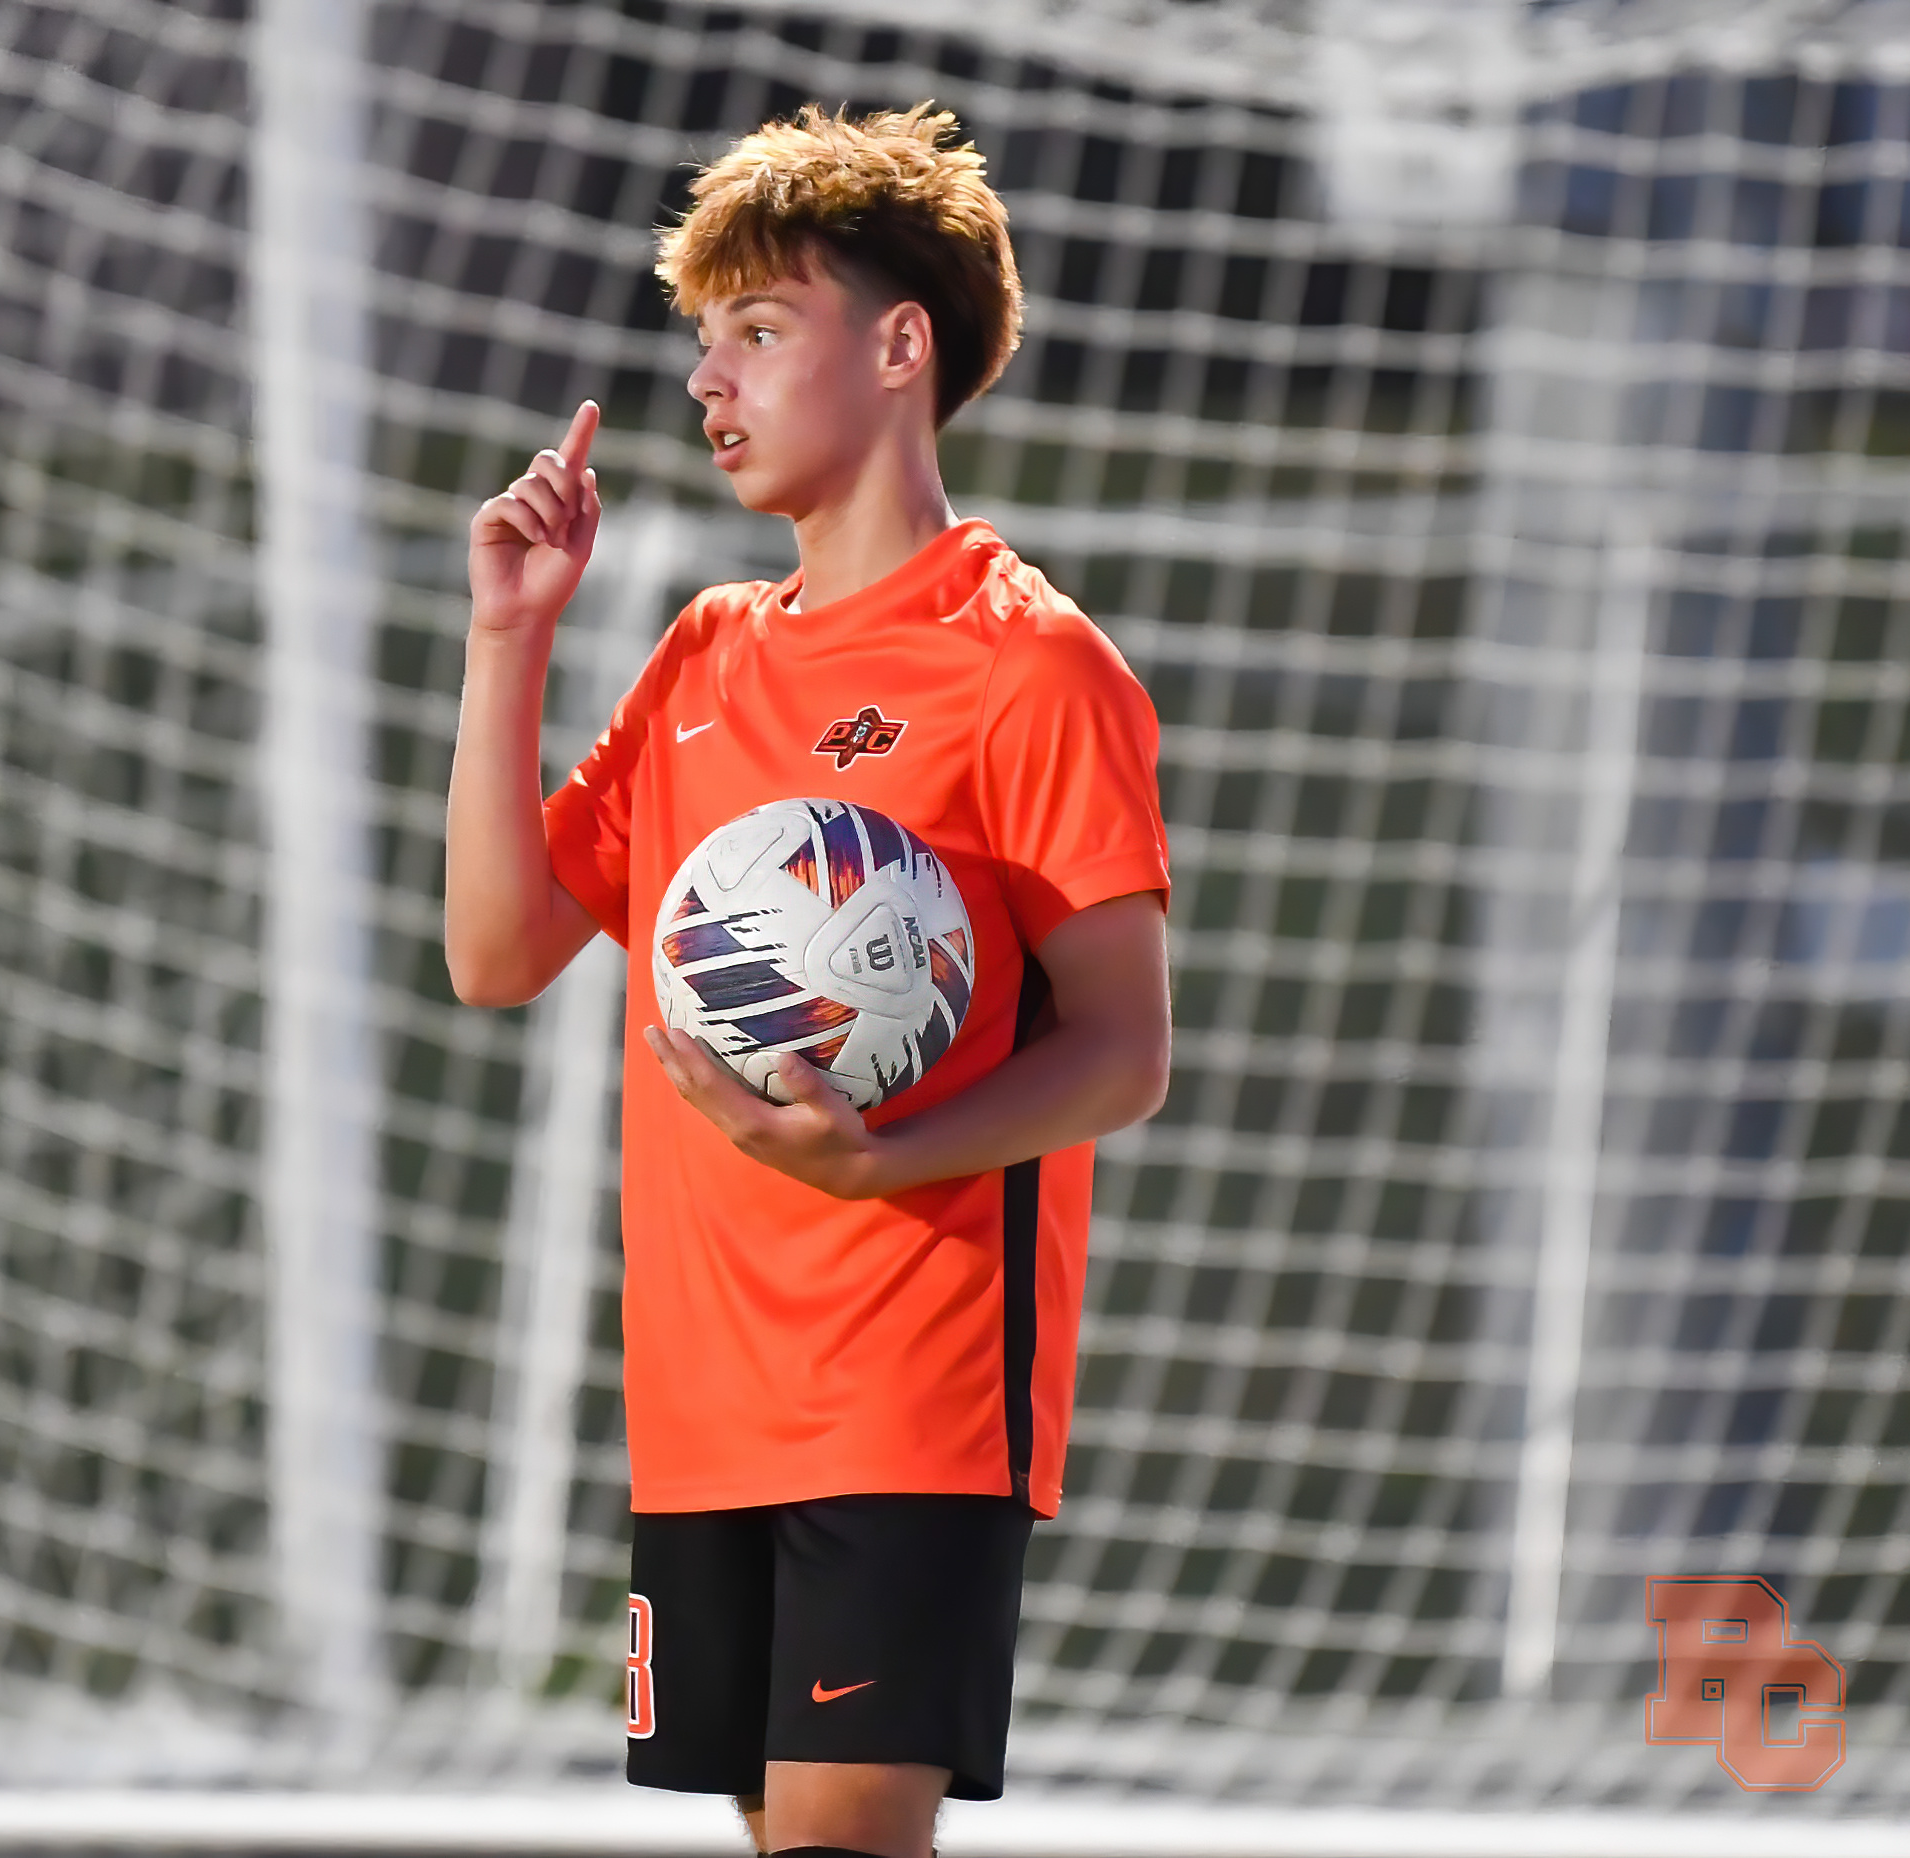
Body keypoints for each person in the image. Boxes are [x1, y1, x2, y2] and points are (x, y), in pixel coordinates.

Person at [446, 103, 1172, 1858]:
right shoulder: (704, 652)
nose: (711, 380)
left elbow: (1123, 1050)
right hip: (706, 1402)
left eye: (760, 330)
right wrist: (508, 637)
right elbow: (494, 952)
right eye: (704, 341)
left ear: (900, 346)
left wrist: (874, 1160)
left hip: (910, 1393)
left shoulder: (1029, 665)